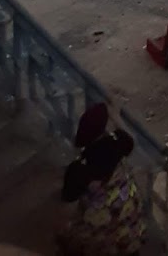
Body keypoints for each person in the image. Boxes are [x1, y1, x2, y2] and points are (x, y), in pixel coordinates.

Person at [55, 103, 145, 256]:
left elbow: (67, 204)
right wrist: (116, 116)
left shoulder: (78, 169)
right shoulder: (119, 141)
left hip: (100, 237)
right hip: (131, 226)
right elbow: (130, 140)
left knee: (66, 238)